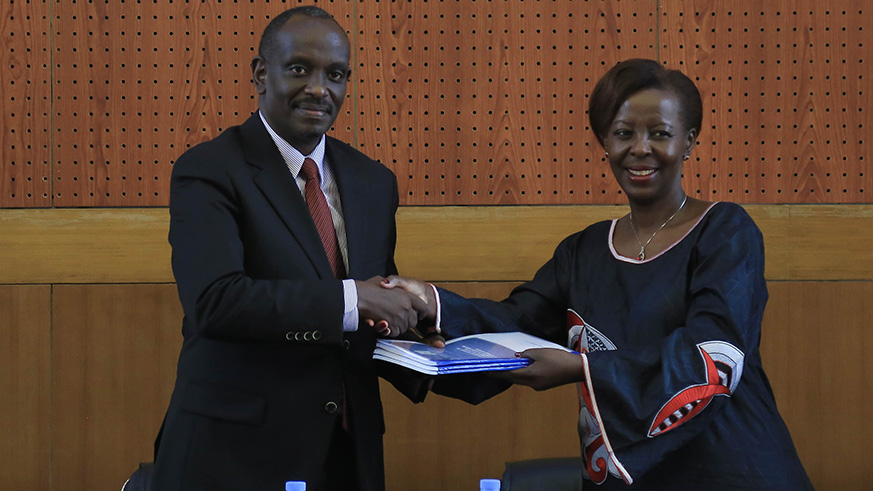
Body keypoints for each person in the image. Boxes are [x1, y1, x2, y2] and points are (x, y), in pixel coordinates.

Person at [385, 59, 813, 489]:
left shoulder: (726, 231)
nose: (640, 148)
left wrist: (581, 369)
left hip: (736, 471)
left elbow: (716, 359)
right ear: (605, 142)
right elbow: (514, 324)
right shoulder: (582, 251)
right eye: (624, 133)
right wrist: (427, 303)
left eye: (660, 133)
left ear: (689, 142)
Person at [151, 6, 432, 491]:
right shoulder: (209, 169)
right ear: (262, 74)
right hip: (237, 456)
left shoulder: (373, 182)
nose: (320, 89)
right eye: (300, 69)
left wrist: (433, 351)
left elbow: (367, 313)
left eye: (336, 74)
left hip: (347, 452)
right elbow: (215, 302)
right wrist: (354, 297)